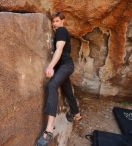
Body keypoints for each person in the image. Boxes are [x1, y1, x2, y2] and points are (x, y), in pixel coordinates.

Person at [35, 12, 82, 146]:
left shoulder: (61, 31)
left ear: (62, 21)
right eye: (53, 22)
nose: (54, 24)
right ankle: (76, 114)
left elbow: (59, 49)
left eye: (56, 21)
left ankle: (49, 130)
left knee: (52, 85)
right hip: (65, 67)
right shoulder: (60, 32)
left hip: (66, 66)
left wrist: (50, 67)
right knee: (67, 90)